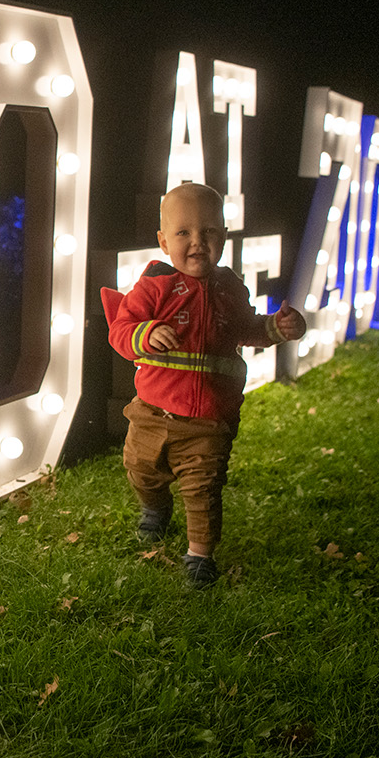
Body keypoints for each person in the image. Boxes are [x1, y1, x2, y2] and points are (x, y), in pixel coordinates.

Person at [107, 183, 305, 587]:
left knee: (203, 490)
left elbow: (249, 329)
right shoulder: (153, 288)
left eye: (209, 232)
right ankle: (155, 508)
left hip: (208, 420)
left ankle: (199, 555)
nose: (198, 242)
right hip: (151, 413)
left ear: (224, 237)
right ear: (163, 241)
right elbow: (120, 331)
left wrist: (276, 328)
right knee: (141, 469)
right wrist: (144, 333)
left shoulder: (231, 289)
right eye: (183, 233)